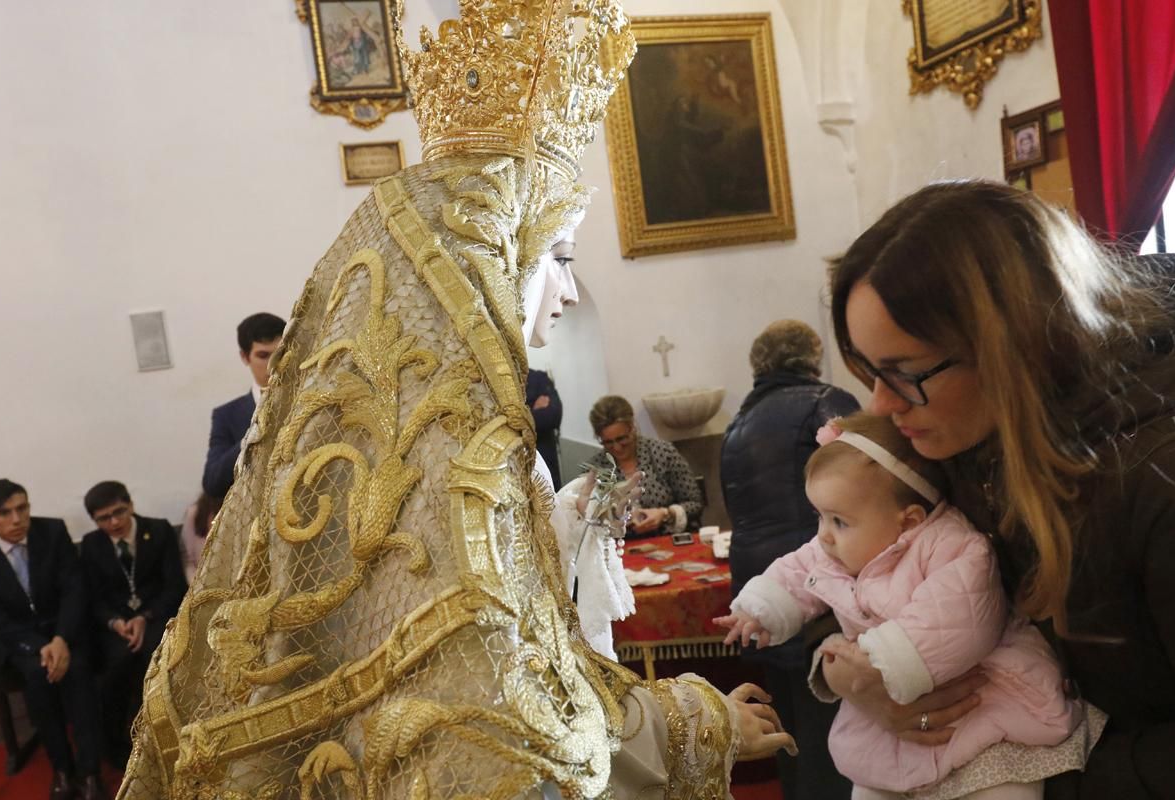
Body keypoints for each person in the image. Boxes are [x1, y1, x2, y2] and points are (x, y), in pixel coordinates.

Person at [118, 3, 794, 797]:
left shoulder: (440, 440)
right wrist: (698, 724)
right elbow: (514, 721)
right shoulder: (464, 465)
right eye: (560, 255)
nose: (571, 292)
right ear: (488, 257)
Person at [821, 180, 1175, 798]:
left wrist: (1035, 782)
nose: (880, 404)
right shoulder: (951, 440)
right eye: (868, 370)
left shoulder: (1163, 480)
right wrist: (848, 677)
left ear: (1013, 344)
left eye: (904, 374)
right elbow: (849, 560)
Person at [718, 412, 1099, 799]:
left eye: (839, 521)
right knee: (870, 784)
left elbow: (957, 616)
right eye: (820, 516)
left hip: (985, 697)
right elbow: (797, 569)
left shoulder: (954, 545)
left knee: (1003, 786)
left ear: (908, 521)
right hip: (894, 707)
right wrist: (761, 608)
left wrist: (883, 658)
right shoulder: (848, 543)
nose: (824, 536)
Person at [720, 318, 859, 800]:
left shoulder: (737, 424)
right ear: (812, 357)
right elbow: (864, 488)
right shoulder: (826, 404)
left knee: (791, 728)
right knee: (833, 731)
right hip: (814, 589)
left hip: (761, 588)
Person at [0, 479, 104, 800]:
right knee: (38, 677)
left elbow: (74, 590)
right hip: (22, 642)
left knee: (78, 672)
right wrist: (41, 646)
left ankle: (90, 772)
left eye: (22, 508)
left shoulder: (52, 532)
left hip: (66, 632)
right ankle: (62, 769)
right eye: (4, 512)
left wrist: (62, 639)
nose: (16, 519)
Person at [80, 480, 187, 768]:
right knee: (116, 665)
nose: (114, 522)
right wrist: (115, 622)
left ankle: (168, 739)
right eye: (104, 518)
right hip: (116, 626)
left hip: (157, 616)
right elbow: (94, 598)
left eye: (120, 512)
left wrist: (145, 616)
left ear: (131, 505)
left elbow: (174, 586)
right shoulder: (92, 545)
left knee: (154, 657)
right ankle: (117, 747)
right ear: (94, 520)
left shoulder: (159, 529)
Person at [582, 395, 704, 537]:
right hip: (620, 550)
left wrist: (665, 514)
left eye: (622, 439)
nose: (617, 447)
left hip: (667, 539)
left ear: (632, 428)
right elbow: (587, 519)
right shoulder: (595, 470)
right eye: (608, 442)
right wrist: (613, 521)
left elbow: (695, 503)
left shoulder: (662, 453)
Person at [202, 311, 285, 499]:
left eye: (280, 353)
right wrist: (252, 435)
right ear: (245, 357)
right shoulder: (227, 415)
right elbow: (212, 483)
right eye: (263, 356)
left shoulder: (311, 398)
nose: (273, 364)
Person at [526, 368, 564, 488]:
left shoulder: (538, 379)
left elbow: (552, 416)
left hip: (546, 466)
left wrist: (522, 415)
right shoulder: (495, 383)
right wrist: (533, 412)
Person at [179, 490, 221, 583]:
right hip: (200, 585)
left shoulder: (241, 510)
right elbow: (188, 561)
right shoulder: (195, 513)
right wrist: (197, 588)